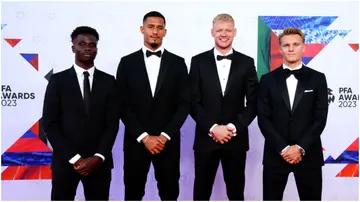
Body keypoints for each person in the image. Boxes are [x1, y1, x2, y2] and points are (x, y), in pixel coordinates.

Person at [116, 11, 190, 200]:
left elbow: (184, 104)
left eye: (159, 27)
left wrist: (164, 136)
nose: (155, 32)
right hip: (136, 141)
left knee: (170, 193)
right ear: (142, 29)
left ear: (165, 31)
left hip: (168, 143)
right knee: (132, 193)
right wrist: (143, 137)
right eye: (150, 27)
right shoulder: (126, 62)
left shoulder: (178, 63)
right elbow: (122, 104)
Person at [42, 26, 120, 201]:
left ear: (96, 49)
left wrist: (98, 157)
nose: (87, 48)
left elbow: (112, 123)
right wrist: (75, 158)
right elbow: (49, 123)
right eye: (82, 44)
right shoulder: (58, 81)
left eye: (92, 45)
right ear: (73, 47)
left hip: (99, 163)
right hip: (65, 162)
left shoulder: (109, 81)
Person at [189, 13, 258, 200]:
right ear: (212, 32)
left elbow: (253, 103)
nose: (224, 34)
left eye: (228, 30)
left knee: (236, 193)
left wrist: (232, 128)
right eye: (219, 30)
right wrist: (212, 127)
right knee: (201, 193)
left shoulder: (247, 62)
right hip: (205, 139)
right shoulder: (198, 61)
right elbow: (192, 102)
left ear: (235, 32)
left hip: (235, 140)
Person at [257, 27, 328, 201]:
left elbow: (320, 119)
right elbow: (263, 118)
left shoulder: (318, 78)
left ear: (303, 47)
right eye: (286, 45)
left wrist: (300, 148)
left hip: (309, 154)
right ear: (280, 48)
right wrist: (283, 148)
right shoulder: (267, 80)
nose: (291, 48)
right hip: (275, 154)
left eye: (295, 44)